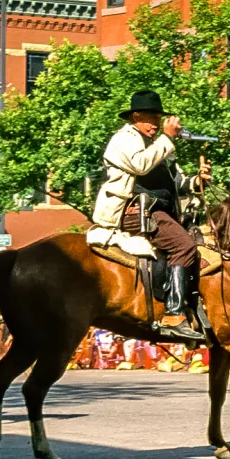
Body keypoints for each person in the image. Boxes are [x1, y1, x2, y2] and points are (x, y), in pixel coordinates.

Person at [86, 89, 211, 342]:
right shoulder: (123, 139)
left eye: (157, 119)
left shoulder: (159, 146)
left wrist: (198, 180)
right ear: (135, 116)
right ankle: (174, 316)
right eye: (151, 118)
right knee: (184, 245)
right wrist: (166, 138)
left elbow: (177, 182)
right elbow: (139, 165)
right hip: (135, 210)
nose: (155, 124)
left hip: (160, 211)